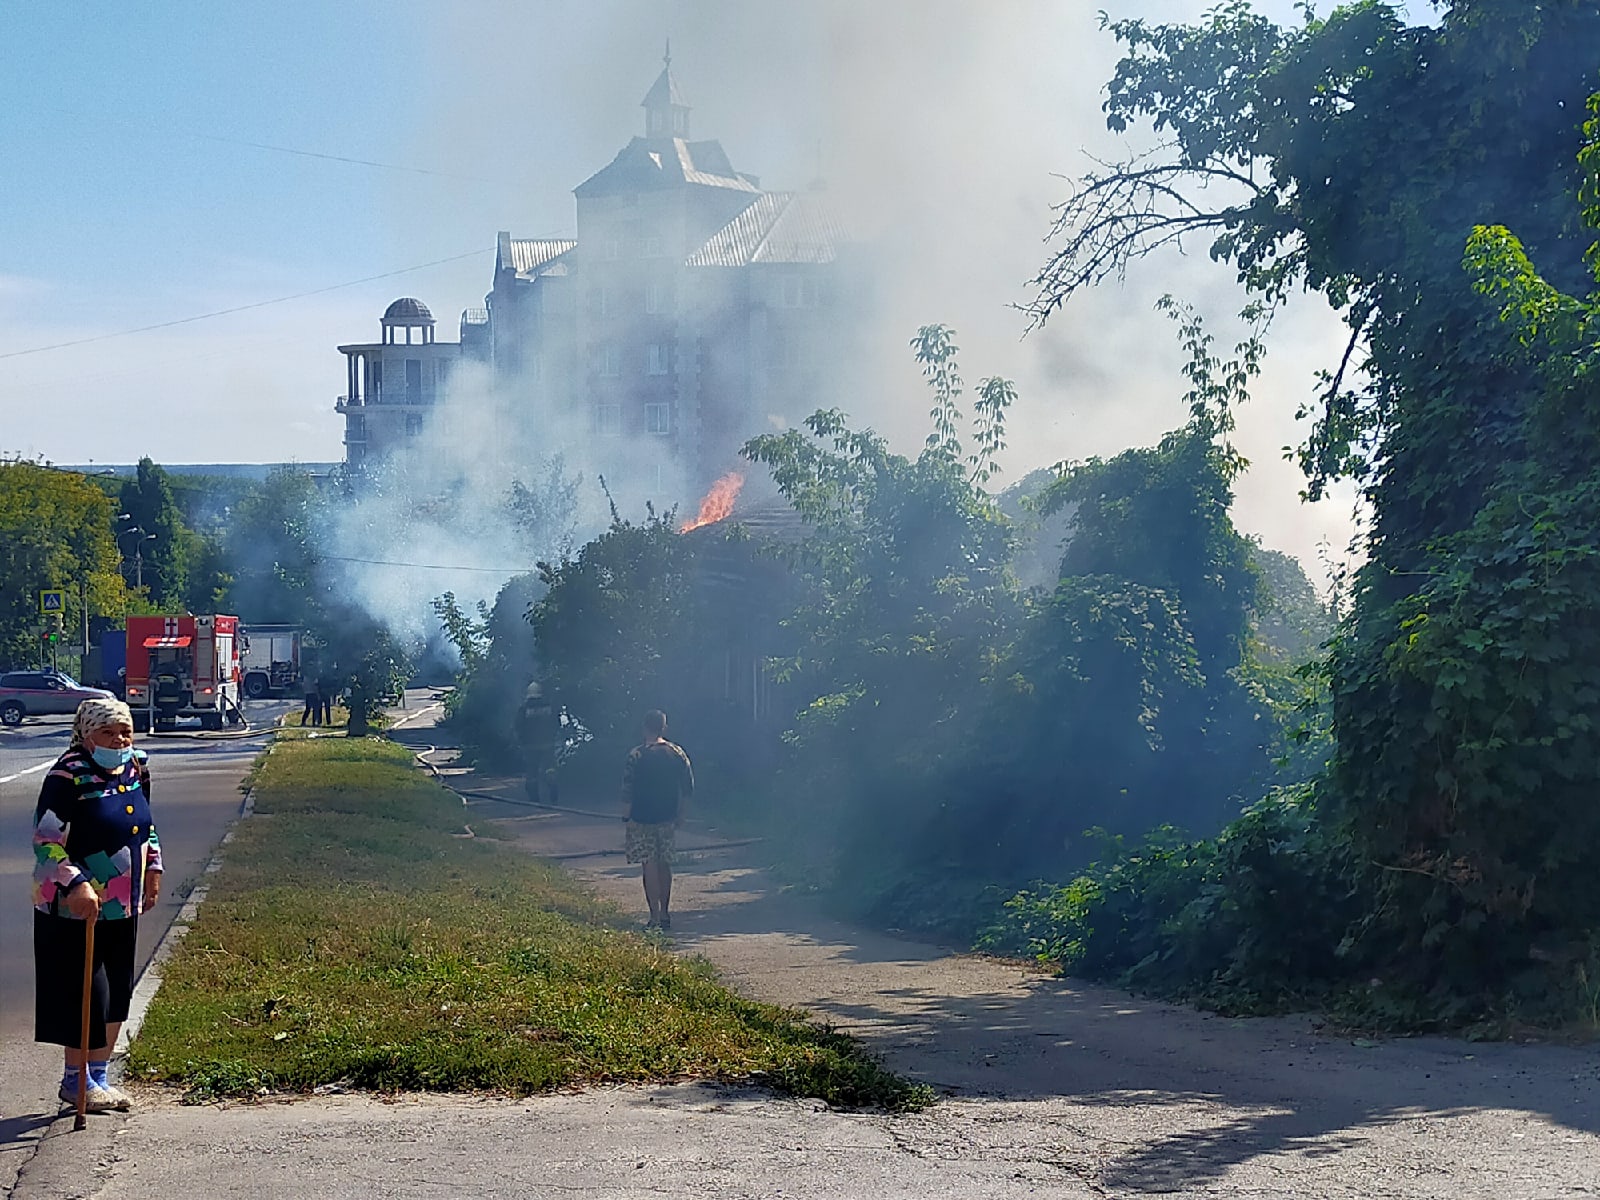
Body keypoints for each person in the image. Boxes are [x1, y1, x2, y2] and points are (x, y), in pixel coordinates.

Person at [33, 698, 162, 1114]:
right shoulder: (67, 773)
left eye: (124, 730)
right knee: (85, 989)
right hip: (74, 904)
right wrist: (76, 884)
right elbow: (46, 841)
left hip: (122, 900)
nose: (119, 739)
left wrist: (154, 867)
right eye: (108, 732)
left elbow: (146, 825)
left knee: (118, 987)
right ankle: (76, 1080)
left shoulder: (135, 764)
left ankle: (99, 1077)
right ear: (86, 734)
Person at [621, 709, 693, 930]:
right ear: (664, 727)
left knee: (649, 865)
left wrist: (625, 815)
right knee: (665, 864)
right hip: (667, 817)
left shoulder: (636, 755)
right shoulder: (677, 753)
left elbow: (627, 789)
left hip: (642, 817)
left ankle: (653, 917)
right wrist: (681, 814)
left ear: (645, 727)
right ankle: (665, 913)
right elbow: (688, 787)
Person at [514, 683, 561, 805]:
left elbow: (518, 726)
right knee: (550, 768)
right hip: (548, 744)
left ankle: (534, 798)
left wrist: (522, 740)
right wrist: (552, 737)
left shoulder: (524, 708)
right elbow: (556, 723)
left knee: (532, 771)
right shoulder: (549, 706)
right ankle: (553, 788)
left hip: (530, 746)